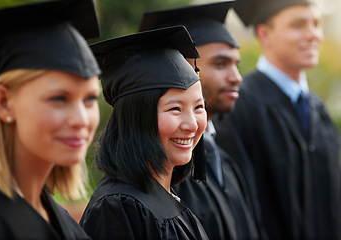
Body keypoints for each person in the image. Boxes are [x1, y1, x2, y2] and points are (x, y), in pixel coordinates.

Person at [213, 0, 341, 239]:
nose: (313, 34)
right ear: (264, 34)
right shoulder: (240, 106)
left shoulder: (318, 109)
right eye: (298, 25)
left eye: (316, 24)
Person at [139, 1, 265, 239]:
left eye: (236, 64)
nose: (237, 77)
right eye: (220, 63)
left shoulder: (224, 161)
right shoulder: (167, 169)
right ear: (184, 68)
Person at [0, 0, 102, 239]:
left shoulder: (66, 224)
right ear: (4, 103)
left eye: (89, 100)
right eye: (58, 99)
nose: (81, 120)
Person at [79, 26, 209, 240]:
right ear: (136, 118)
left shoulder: (163, 195)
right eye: (175, 109)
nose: (192, 125)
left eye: (198, 107)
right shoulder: (120, 207)